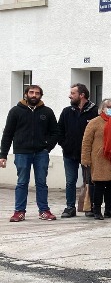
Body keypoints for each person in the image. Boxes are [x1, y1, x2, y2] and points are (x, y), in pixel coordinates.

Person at [1, 85, 61, 222]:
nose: (34, 95)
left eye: (37, 93)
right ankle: (19, 212)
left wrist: (47, 147)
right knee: (22, 182)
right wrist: (3, 155)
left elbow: (56, 132)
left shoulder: (47, 112)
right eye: (31, 92)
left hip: (41, 153)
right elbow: (7, 134)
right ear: (26, 94)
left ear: (41, 95)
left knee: (42, 183)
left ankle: (44, 211)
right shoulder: (16, 111)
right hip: (22, 153)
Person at [57, 83, 98, 218]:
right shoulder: (67, 111)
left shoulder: (95, 111)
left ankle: (88, 207)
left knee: (89, 181)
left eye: (73, 93)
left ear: (82, 95)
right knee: (70, 181)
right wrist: (64, 144)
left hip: (88, 154)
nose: (70, 96)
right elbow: (59, 130)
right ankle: (70, 207)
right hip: (69, 153)